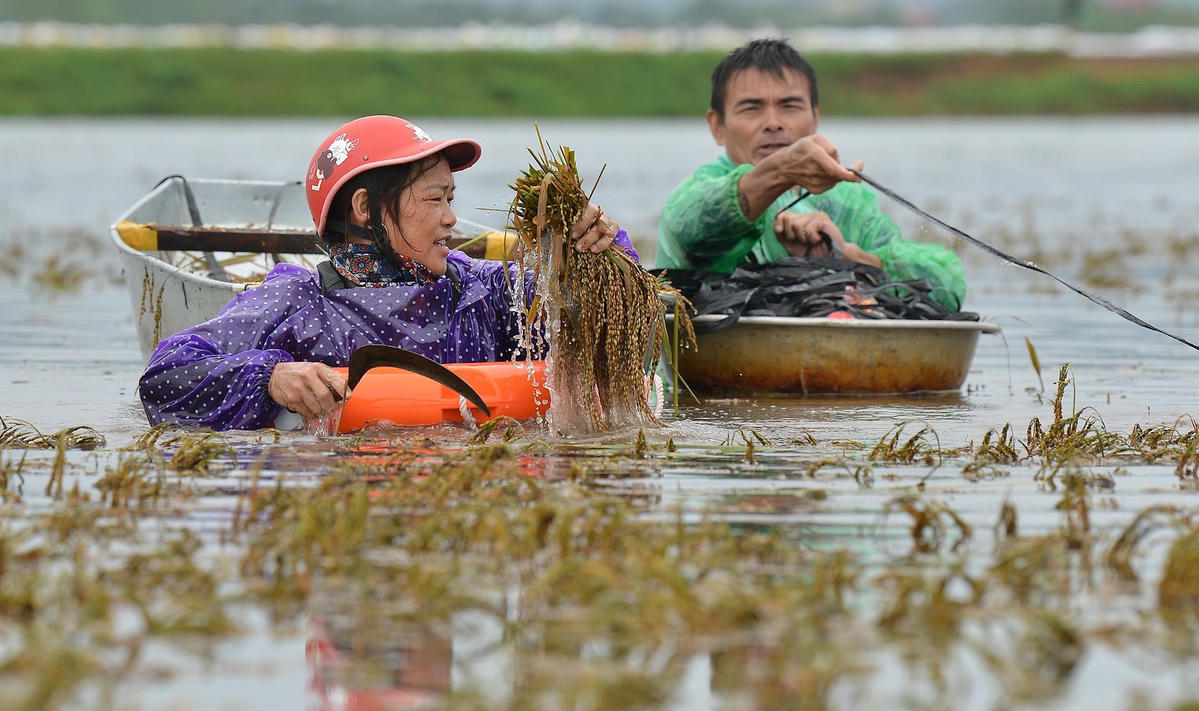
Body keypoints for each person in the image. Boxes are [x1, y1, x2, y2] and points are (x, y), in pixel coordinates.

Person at [139, 115, 634, 431]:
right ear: (363, 208)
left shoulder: (483, 292)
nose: (450, 219)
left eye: (452, 199)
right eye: (434, 199)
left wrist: (600, 253)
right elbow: (165, 377)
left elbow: (618, 324)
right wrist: (269, 376)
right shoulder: (297, 301)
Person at [656, 38, 966, 313]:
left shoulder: (849, 202)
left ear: (815, 118)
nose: (773, 123)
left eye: (789, 106)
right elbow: (690, 227)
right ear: (717, 126)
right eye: (752, 109)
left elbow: (949, 284)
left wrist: (845, 257)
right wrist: (783, 169)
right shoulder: (700, 192)